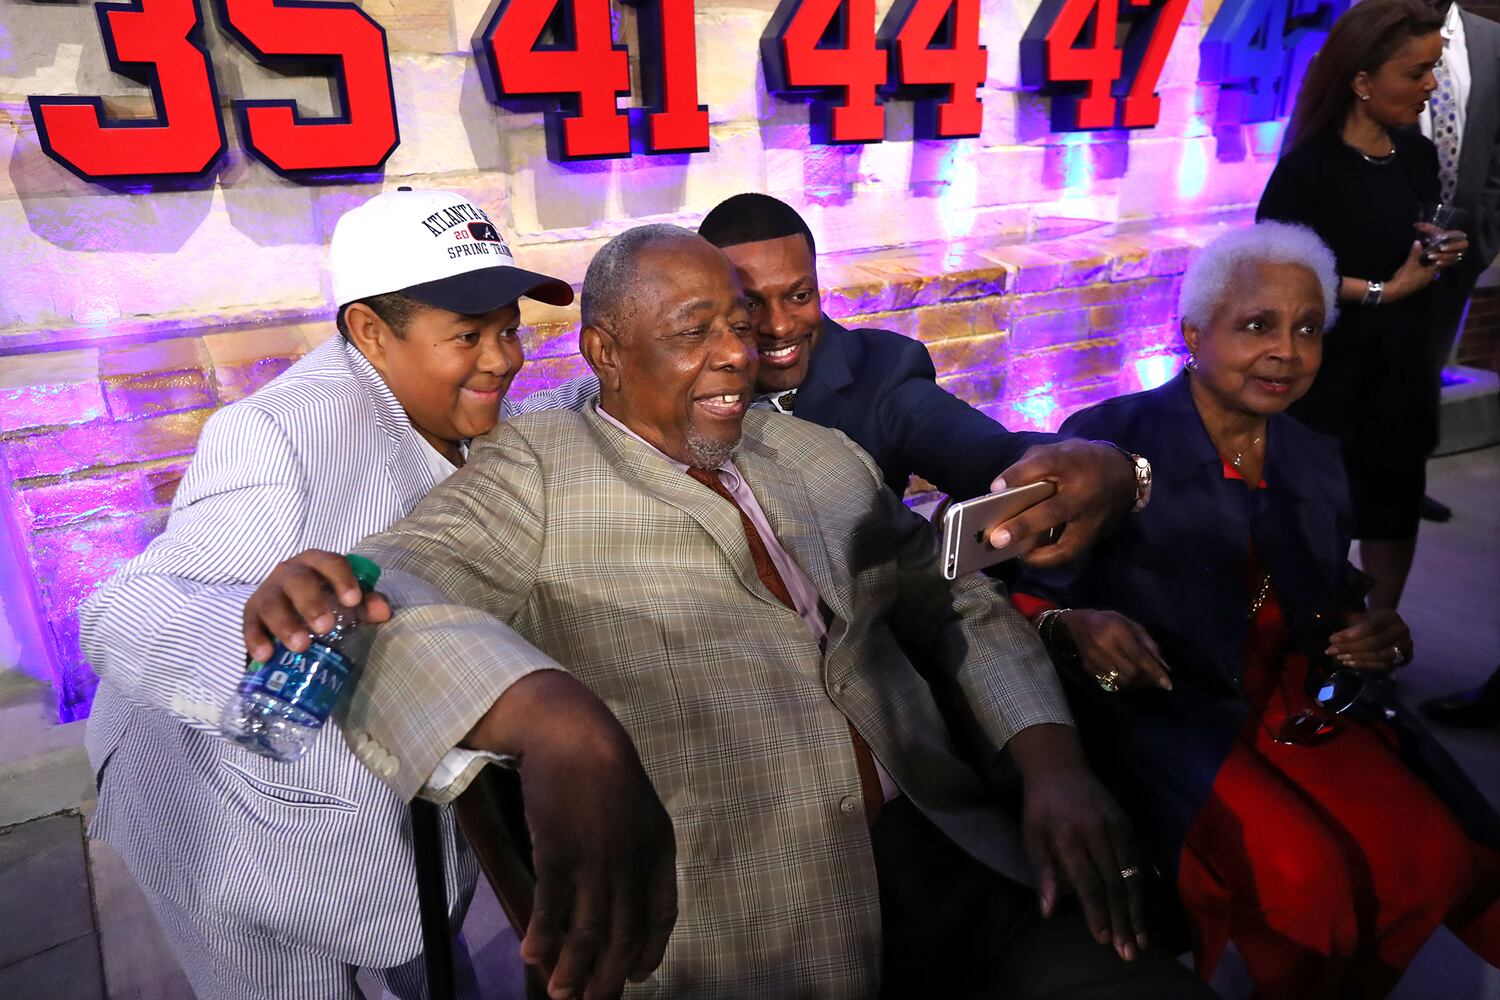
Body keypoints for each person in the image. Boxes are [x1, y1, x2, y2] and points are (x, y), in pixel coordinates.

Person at [252, 225, 1214, 998]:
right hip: (751, 930)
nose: (736, 357)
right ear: (606, 352)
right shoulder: (535, 467)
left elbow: (948, 589)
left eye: (741, 327)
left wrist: (1049, 761)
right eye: (691, 331)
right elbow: (403, 586)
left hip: (964, 867)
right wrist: (554, 719)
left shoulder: (815, 454)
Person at [78, 189, 674, 999]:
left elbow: (537, 429)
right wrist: (262, 620)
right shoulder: (278, 434)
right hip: (227, 816)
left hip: (377, 801)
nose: (502, 359)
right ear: (368, 332)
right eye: (467, 336)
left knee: (417, 940)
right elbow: (126, 609)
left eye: (507, 330)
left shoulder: (459, 412)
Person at [1013, 221, 1500, 997]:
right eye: (1257, 326)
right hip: (1165, 711)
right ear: (1192, 334)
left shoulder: (1311, 451)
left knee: (1436, 851)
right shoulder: (1108, 441)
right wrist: (1072, 625)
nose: (1287, 350)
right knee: (1303, 878)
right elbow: (1017, 592)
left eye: (1308, 328)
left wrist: (1378, 633)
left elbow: (1331, 592)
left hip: (1296, 699)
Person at [530, 193, 1151, 566]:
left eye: (799, 296)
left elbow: (991, 455)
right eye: (749, 303)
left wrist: (1100, 466)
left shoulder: (881, 375)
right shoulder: (664, 377)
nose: (776, 326)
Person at [1256, 0, 1468, 614]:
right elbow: (1279, 274)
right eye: (1416, 73)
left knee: (1394, 509)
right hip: (1328, 377)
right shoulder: (1308, 170)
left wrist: (1435, 250)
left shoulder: (1418, 156)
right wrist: (1383, 290)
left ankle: (1378, 637)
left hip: (1401, 370)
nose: (1431, 85)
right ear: (1361, 81)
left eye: (1434, 68)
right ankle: (1317, 646)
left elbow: (1406, 241)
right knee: (1319, 516)